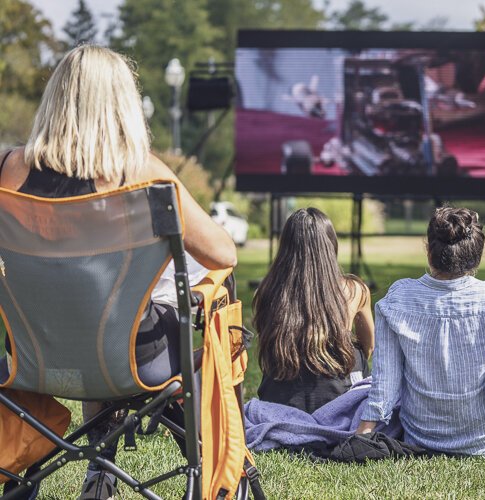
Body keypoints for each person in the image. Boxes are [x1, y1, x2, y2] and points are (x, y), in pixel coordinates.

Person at [0, 45, 236, 499]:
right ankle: (206, 456)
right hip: (132, 359)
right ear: (123, 107)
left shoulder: (5, 172)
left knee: (96, 310)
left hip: (32, 359)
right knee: (196, 309)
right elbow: (224, 254)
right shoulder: (143, 176)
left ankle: (98, 464)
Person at [356, 207, 485, 466]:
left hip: (419, 441)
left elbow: (385, 384)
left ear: (429, 251)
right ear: (476, 255)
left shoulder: (398, 298)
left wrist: (362, 435)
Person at [253, 207, 374, 413]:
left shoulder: (266, 291)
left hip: (278, 400)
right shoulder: (354, 290)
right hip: (336, 402)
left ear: (285, 247)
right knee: (354, 348)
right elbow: (368, 347)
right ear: (330, 245)